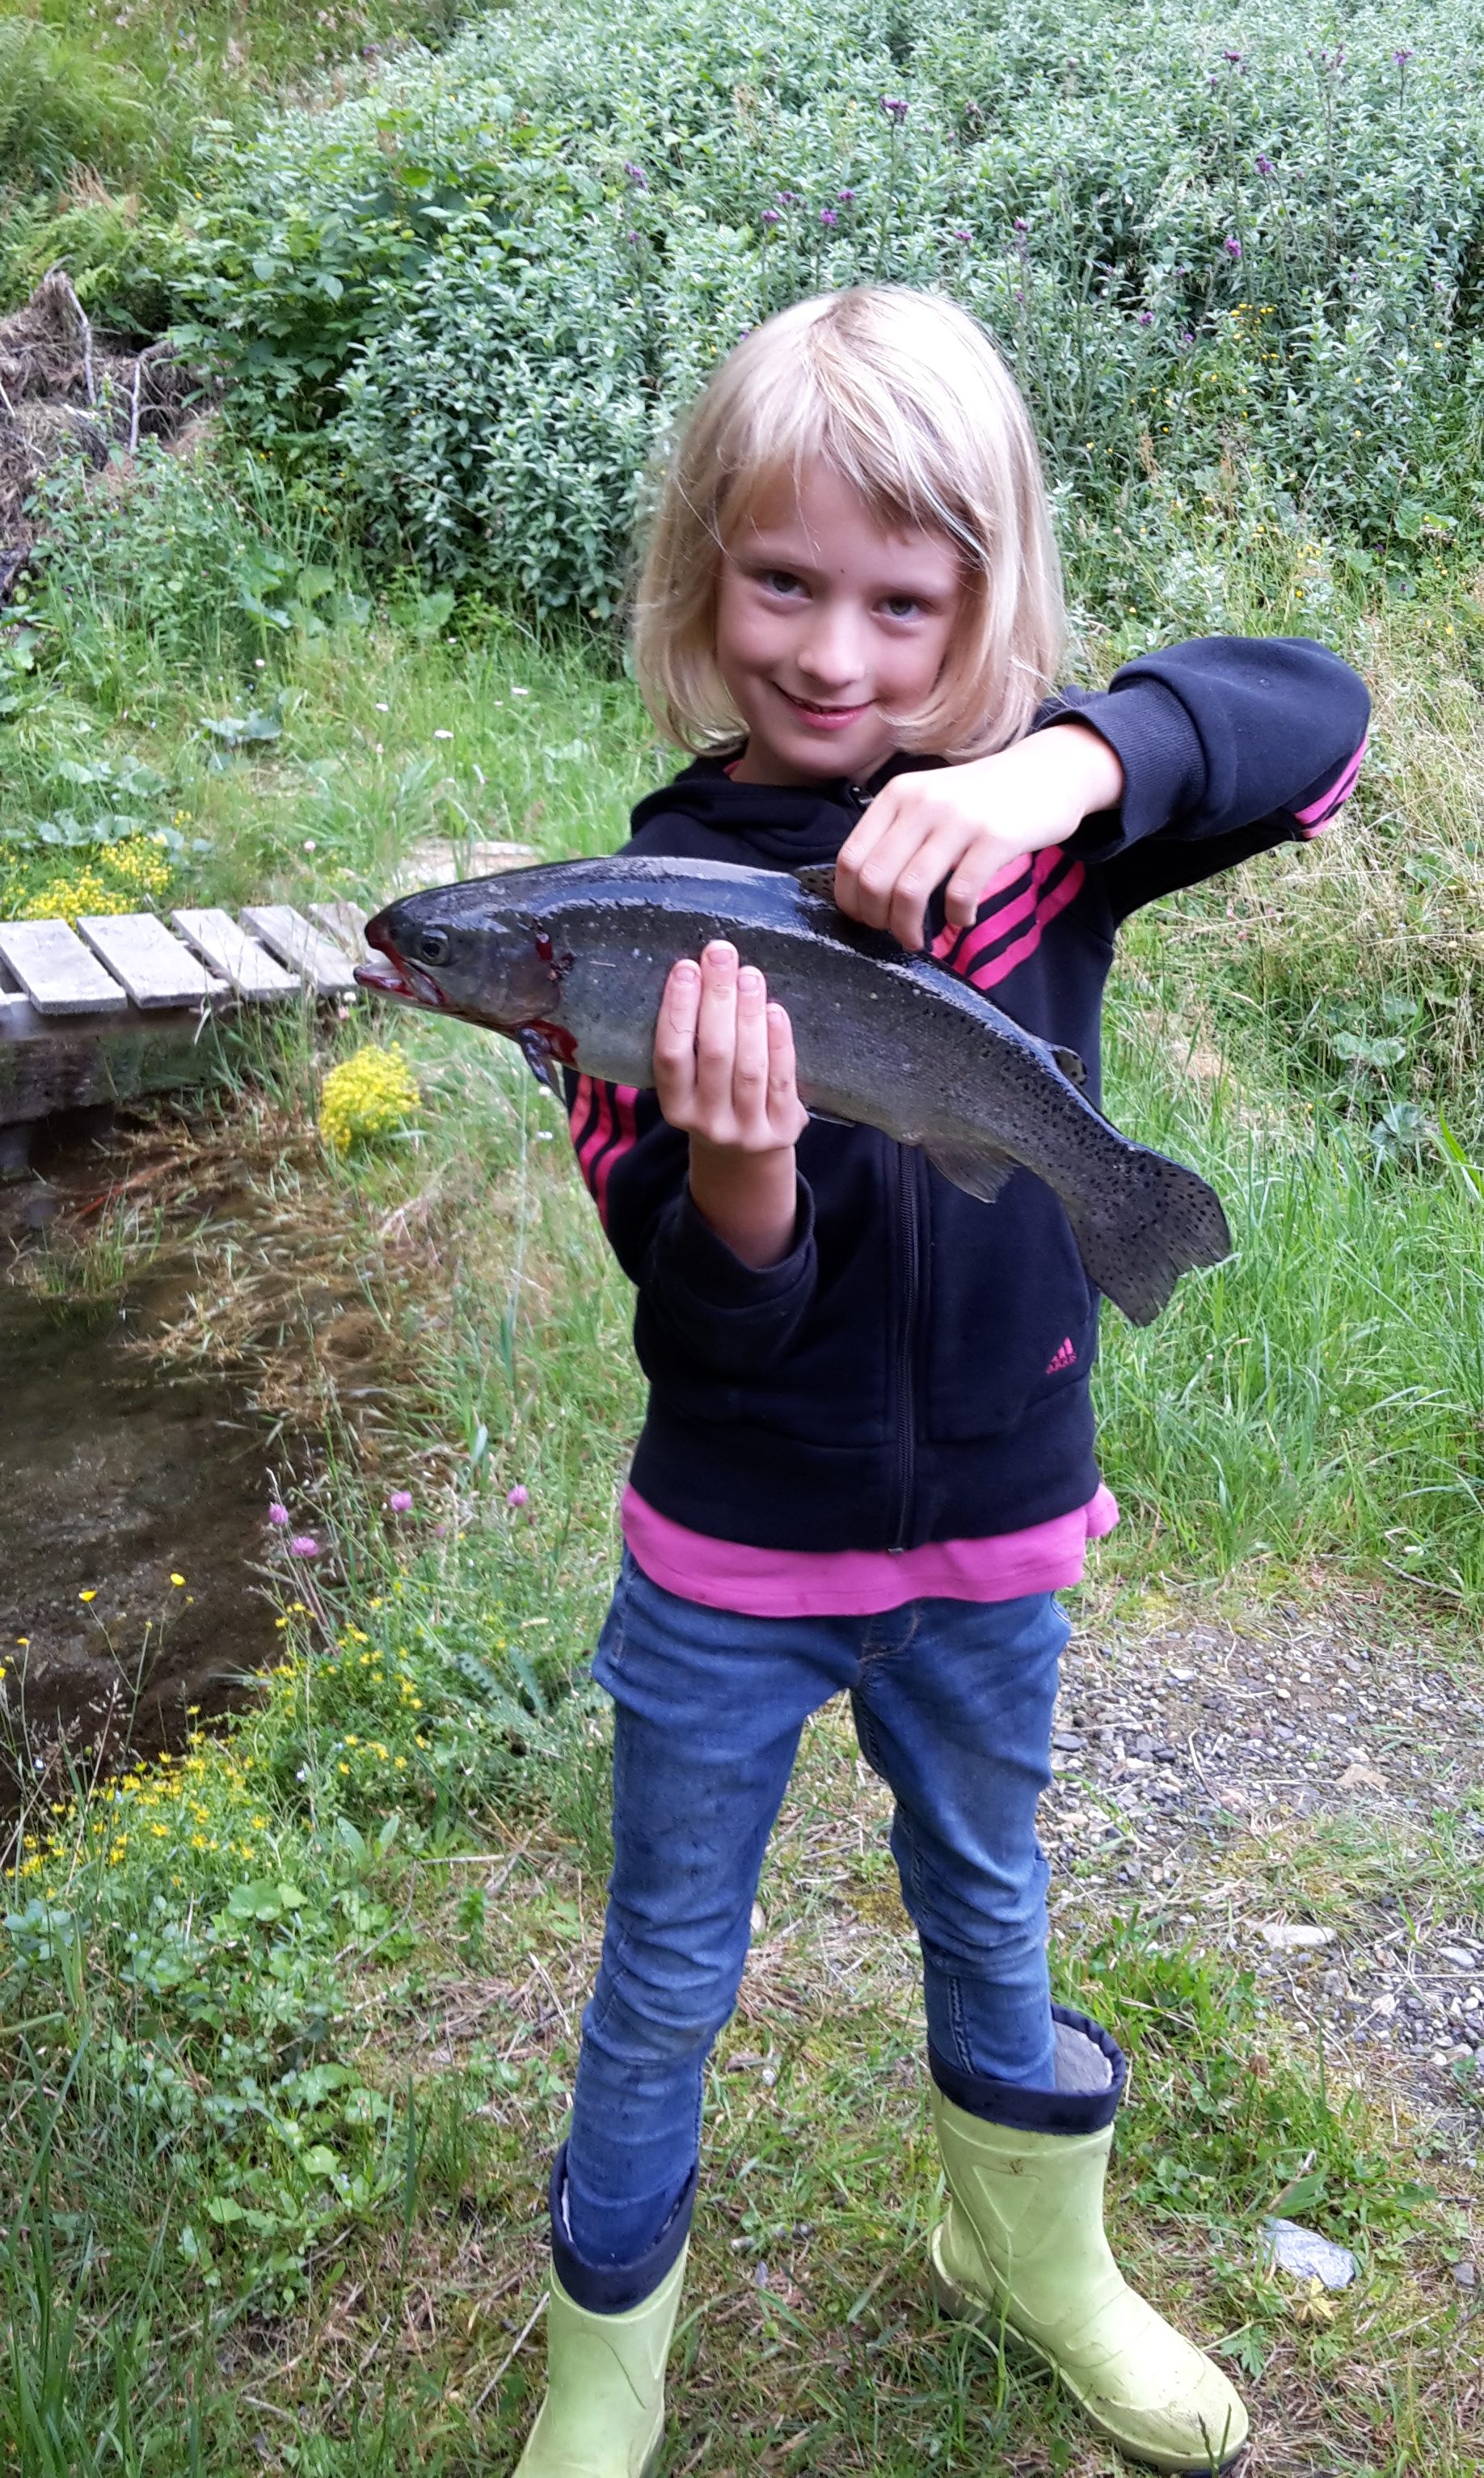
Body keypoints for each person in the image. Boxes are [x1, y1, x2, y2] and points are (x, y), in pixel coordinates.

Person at [513, 286, 1368, 2476]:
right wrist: (740, 1174)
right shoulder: (629, 933)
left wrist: (1052, 762)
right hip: (726, 1556)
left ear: (987, 604)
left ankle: (1029, 2247)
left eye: (906, 600)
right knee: (664, 1968)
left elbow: (1317, 718)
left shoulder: (1036, 829)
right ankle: (605, 2362)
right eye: (782, 582)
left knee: (988, 1893)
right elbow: (699, 1317)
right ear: (702, 574)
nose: (833, 651)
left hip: (997, 1529)